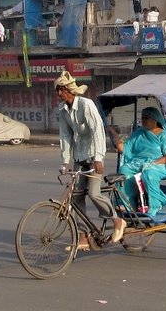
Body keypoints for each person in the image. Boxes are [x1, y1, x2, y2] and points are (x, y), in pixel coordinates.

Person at [56, 70, 126, 250]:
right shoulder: (62, 110)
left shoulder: (86, 105)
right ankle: (83, 236)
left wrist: (99, 158)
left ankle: (117, 220)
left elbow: (97, 131)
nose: (59, 94)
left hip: (94, 156)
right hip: (80, 157)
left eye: (61, 90)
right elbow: (65, 136)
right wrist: (65, 162)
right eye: (57, 90)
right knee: (76, 197)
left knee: (94, 193)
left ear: (69, 90)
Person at [107, 107, 166, 216]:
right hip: (139, 163)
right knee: (124, 170)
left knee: (148, 173)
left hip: (162, 164)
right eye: (142, 118)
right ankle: (128, 204)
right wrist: (113, 133)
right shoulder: (139, 133)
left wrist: (153, 163)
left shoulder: (164, 135)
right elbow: (124, 149)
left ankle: (156, 203)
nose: (143, 120)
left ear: (155, 119)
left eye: (146, 118)